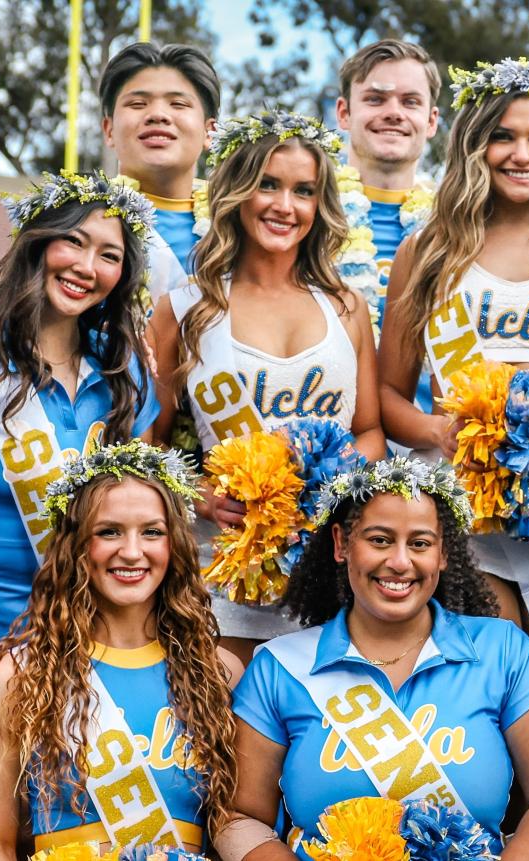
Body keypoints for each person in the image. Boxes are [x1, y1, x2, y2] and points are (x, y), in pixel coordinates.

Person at [218, 458, 529, 861]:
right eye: (379, 540)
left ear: (443, 553)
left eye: (420, 543)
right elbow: (238, 815)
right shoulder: (280, 667)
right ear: (341, 544)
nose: (399, 562)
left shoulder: (503, 650)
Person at [378, 58, 529, 668]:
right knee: (483, 666)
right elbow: (385, 397)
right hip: (456, 504)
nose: (523, 154)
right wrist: (438, 430)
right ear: (473, 145)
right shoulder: (428, 249)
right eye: (503, 136)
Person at [150, 111, 388, 645]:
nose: (286, 206)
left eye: (304, 191)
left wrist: (329, 482)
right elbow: (149, 444)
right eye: (268, 185)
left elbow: (370, 431)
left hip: (330, 567)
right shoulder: (185, 309)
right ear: (237, 192)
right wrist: (204, 496)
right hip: (227, 570)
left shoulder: (345, 307)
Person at [0, 172, 163, 645]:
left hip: (90, 641)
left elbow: (143, 521)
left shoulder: (124, 373)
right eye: (73, 241)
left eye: (109, 256)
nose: (88, 267)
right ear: (38, 243)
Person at [0, 443, 237, 857]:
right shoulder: (20, 674)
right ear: (77, 546)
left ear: (175, 545)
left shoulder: (218, 673)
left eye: (152, 531)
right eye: (109, 531)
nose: (132, 551)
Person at [328, 39, 443, 321]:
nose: (393, 112)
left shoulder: (457, 224)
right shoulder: (306, 215)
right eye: (375, 99)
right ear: (344, 113)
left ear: (431, 121)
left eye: (410, 102)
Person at [99, 42, 222, 293]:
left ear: (209, 131)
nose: (157, 115)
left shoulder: (238, 223)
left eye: (178, 104)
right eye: (137, 104)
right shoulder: (72, 220)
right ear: (109, 130)